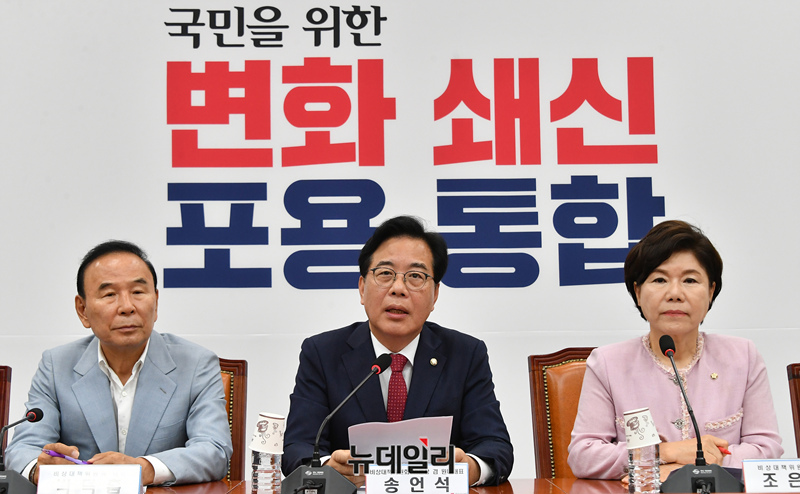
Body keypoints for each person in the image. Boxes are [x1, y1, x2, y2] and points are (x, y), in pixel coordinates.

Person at [282, 216, 513, 486]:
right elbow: (298, 447)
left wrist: (469, 468)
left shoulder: (466, 354)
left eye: (415, 276)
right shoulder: (322, 354)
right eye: (385, 274)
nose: (398, 289)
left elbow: (495, 447)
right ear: (362, 288)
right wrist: (327, 470)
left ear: (435, 295)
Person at [567, 220, 783, 480]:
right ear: (637, 292)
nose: (675, 293)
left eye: (690, 280)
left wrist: (694, 465)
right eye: (659, 279)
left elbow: (766, 448)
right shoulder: (607, 362)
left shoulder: (743, 357)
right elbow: (583, 456)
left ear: (711, 291)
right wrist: (665, 453)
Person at [5, 240, 232, 485]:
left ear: (156, 302)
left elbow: (214, 450)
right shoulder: (56, 366)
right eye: (110, 294)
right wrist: (40, 469)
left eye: (138, 292)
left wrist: (143, 468)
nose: (127, 307)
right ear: (82, 310)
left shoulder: (196, 364)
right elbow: (23, 448)